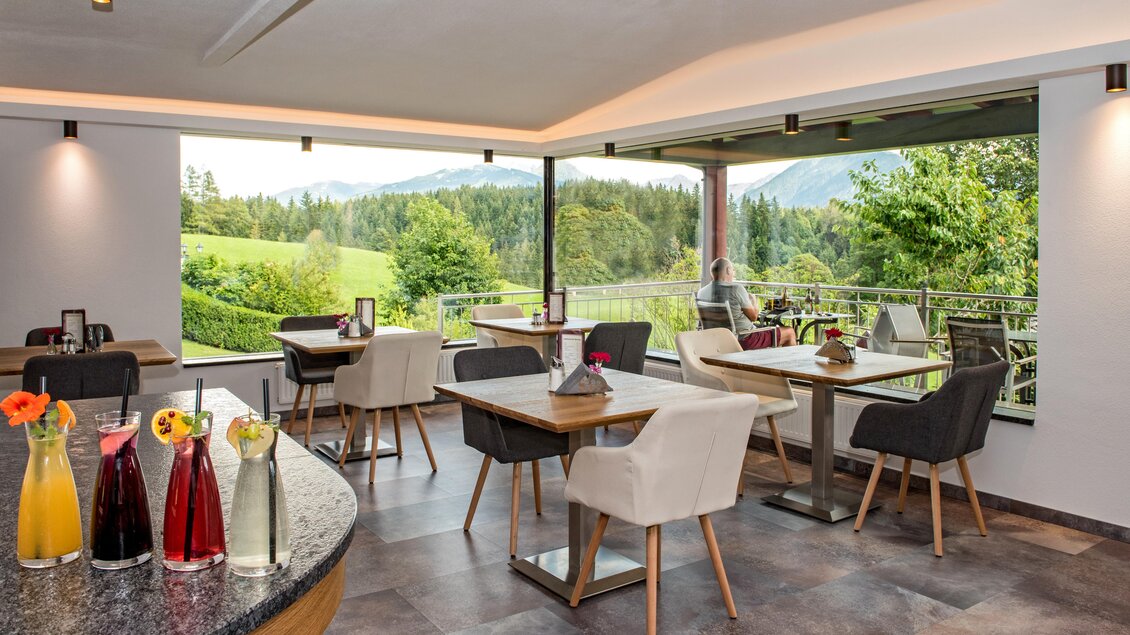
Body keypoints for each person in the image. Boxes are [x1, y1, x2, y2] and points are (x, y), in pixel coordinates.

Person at [698, 257, 797, 350]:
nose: (733, 273)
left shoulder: (701, 292)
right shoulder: (736, 289)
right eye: (732, 270)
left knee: (765, 328)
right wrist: (753, 300)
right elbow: (754, 317)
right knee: (790, 332)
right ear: (728, 270)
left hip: (716, 341)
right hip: (743, 339)